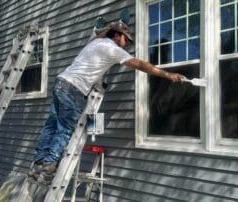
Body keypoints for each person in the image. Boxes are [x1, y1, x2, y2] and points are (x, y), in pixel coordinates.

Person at [28, 21, 183, 184]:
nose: (126, 45)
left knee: (51, 125)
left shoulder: (96, 42)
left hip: (61, 81)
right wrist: (167, 75)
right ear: (116, 36)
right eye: (125, 39)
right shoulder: (112, 49)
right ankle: (48, 168)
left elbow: (99, 34)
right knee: (64, 129)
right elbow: (140, 64)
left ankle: (37, 165)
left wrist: (110, 27)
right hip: (74, 88)